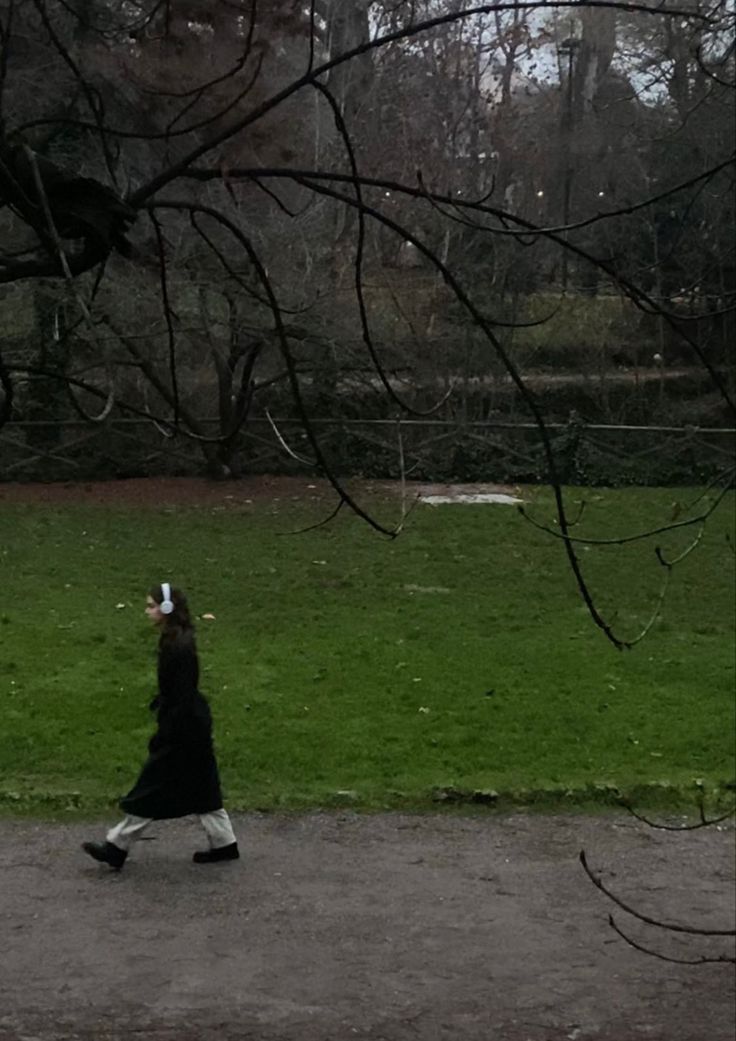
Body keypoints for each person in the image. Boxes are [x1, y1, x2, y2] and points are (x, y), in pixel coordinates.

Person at [82, 583, 239, 871]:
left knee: (150, 788)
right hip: (192, 725)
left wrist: (166, 732)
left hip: (183, 729)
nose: (148, 611)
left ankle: (116, 846)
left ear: (167, 609)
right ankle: (224, 843)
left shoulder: (176, 647)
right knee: (203, 786)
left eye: (152, 606)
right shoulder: (175, 640)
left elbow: (180, 694)